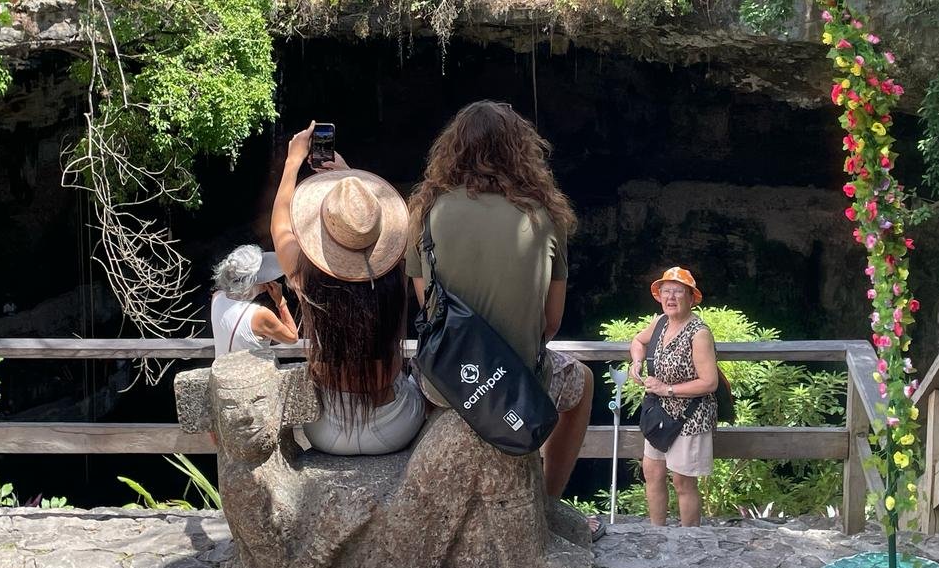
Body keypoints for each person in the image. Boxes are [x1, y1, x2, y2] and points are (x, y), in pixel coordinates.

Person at [405, 101, 593, 502]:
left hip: (446, 382)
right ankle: (547, 502)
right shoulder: (545, 215)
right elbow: (552, 322)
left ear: (451, 150)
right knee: (583, 382)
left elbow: (431, 310)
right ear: (521, 151)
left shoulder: (426, 211)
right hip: (518, 381)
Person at [271, 123, 425, 455]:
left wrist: (292, 162)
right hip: (396, 426)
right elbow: (367, 223)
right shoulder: (395, 270)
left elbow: (280, 227)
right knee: (415, 386)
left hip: (326, 430)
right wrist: (350, 176)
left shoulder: (308, 277)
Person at [628, 266, 720, 527]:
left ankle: (688, 542)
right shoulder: (660, 322)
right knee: (653, 472)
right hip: (659, 412)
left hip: (689, 416)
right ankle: (658, 536)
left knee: (682, 481)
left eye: (678, 292)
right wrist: (637, 362)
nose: (671, 297)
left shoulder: (699, 333)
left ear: (691, 298)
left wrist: (666, 389)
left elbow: (709, 382)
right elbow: (638, 340)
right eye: (666, 291)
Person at [210, 244, 298, 356]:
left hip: (222, 370)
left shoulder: (217, 298)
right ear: (252, 281)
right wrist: (281, 302)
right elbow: (292, 338)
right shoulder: (260, 315)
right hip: (249, 373)